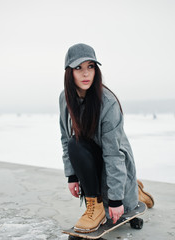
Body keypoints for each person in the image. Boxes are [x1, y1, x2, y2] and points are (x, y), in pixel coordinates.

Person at [59, 43, 154, 233]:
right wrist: (71, 175)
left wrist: (117, 199)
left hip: (112, 160)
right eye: (79, 68)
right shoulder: (65, 98)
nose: (86, 74)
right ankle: (96, 206)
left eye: (90, 66)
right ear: (69, 72)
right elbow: (64, 135)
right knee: (74, 143)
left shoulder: (108, 103)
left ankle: (131, 189)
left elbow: (113, 154)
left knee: (119, 205)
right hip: (90, 159)